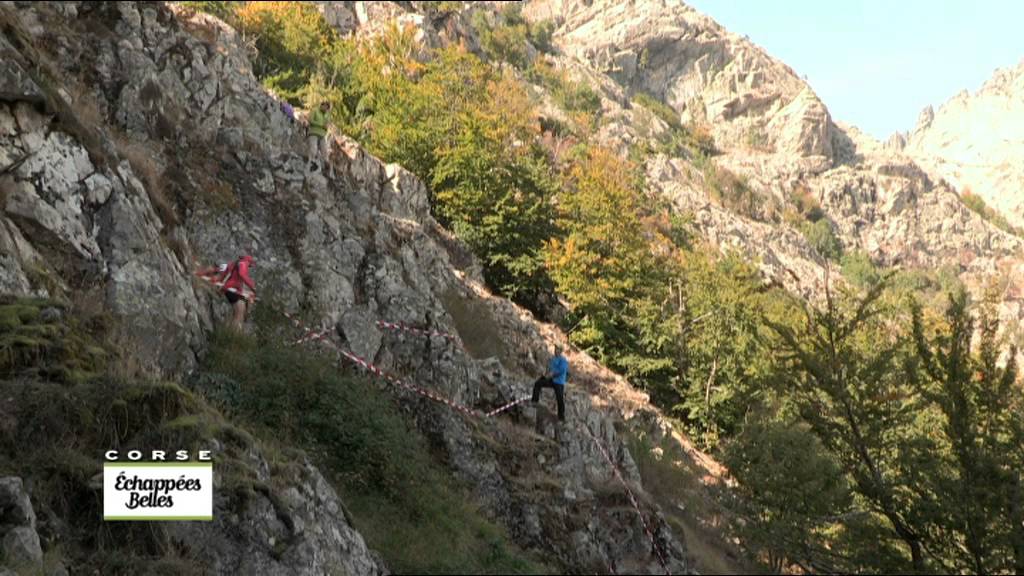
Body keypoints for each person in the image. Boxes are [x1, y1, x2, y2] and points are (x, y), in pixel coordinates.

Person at [197, 255, 257, 330]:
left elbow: (216, 271)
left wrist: (201, 273)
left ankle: (237, 325)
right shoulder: (243, 263)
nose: (249, 267)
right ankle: (234, 330)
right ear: (249, 262)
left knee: (241, 307)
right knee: (240, 311)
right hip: (229, 287)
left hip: (228, 286)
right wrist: (251, 286)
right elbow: (241, 275)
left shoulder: (232, 264)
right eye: (250, 265)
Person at [532, 344, 569, 421]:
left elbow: (560, 371)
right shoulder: (553, 359)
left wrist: (551, 375)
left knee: (560, 399)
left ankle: (561, 417)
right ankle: (534, 401)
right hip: (551, 380)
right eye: (555, 348)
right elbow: (549, 368)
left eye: (557, 349)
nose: (555, 350)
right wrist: (544, 374)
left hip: (559, 382)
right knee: (538, 383)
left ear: (560, 351)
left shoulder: (563, 360)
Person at [307, 101, 331, 172]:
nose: (325, 109)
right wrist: (321, 125)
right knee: (313, 148)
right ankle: (311, 162)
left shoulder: (327, 115)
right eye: (325, 107)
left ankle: (325, 164)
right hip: (313, 132)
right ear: (322, 105)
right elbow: (310, 120)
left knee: (325, 150)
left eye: (327, 108)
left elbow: (326, 124)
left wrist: (326, 128)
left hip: (322, 134)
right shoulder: (315, 111)